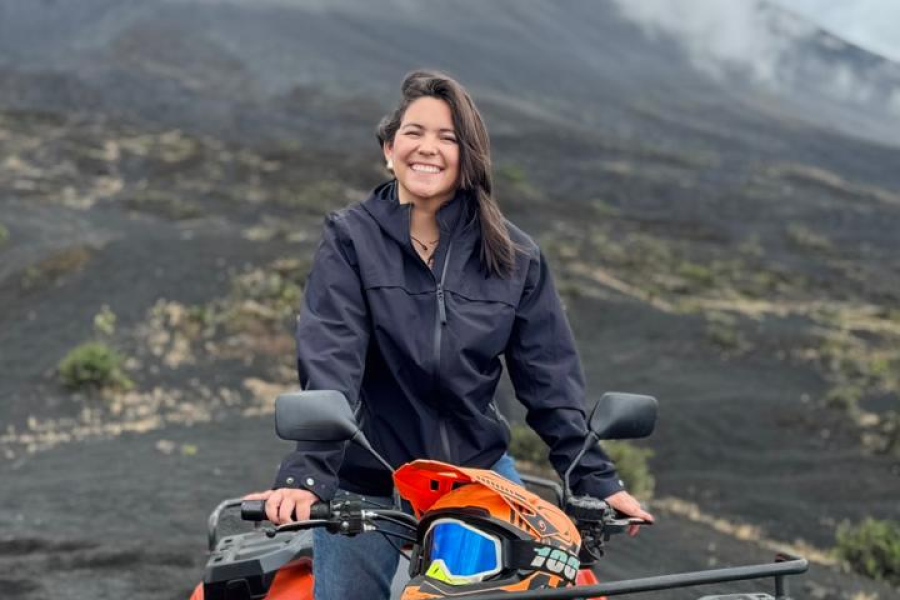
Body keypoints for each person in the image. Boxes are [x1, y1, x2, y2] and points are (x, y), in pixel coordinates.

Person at [245, 70, 654, 599]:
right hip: (369, 475)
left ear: (469, 158)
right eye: (414, 132)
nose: (427, 148)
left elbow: (547, 377)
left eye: (448, 137)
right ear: (389, 150)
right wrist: (306, 475)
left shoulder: (514, 256)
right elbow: (332, 360)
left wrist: (596, 477)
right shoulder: (350, 239)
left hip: (476, 474)